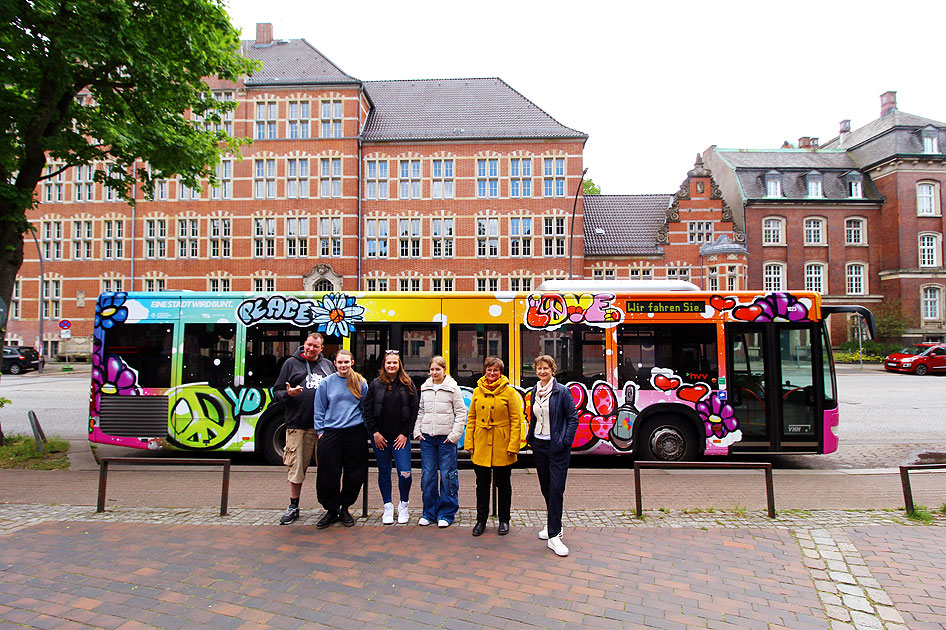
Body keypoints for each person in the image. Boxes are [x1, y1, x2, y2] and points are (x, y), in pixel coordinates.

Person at [272, 332, 335, 525]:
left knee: (328, 470)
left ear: (321, 348)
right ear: (304, 344)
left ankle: (331, 508)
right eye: (308, 345)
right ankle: (293, 506)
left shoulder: (328, 366)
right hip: (299, 425)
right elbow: (276, 392)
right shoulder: (290, 364)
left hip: (324, 428)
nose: (311, 349)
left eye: (315, 346)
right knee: (296, 468)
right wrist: (288, 394)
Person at [525, 355, 579, 556]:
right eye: (539, 368)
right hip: (539, 445)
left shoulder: (562, 391)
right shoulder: (534, 391)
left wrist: (564, 441)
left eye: (546, 368)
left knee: (556, 488)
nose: (542, 371)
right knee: (546, 488)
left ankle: (554, 536)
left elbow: (573, 419)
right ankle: (553, 523)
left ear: (552, 370)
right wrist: (530, 437)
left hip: (557, 447)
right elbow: (534, 416)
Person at [465, 356, 522, 536]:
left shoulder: (509, 392)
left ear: (500, 372)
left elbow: (516, 421)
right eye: (489, 370)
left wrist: (514, 445)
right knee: (482, 485)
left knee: (504, 484)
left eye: (495, 370)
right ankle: (481, 520)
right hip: (481, 443)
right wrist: (469, 442)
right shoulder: (477, 391)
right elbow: (471, 418)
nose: (492, 373)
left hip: (502, 445)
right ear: (485, 371)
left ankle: (504, 520)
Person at [313, 349, 369, 529]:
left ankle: (345, 508)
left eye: (347, 362)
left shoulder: (360, 382)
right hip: (332, 433)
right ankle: (331, 509)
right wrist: (320, 431)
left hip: (354, 432)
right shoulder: (326, 383)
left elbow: (365, 408)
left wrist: (366, 431)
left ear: (352, 362)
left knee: (354, 473)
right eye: (340, 362)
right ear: (335, 363)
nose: (343, 365)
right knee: (328, 473)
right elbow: (319, 408)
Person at [364, 350, 418, 525]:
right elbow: (368, 410)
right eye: (389, 363)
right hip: (381, 437)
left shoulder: (407, 383)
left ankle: (404, 504)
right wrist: (375, 433)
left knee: (405, 472)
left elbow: (414, 411)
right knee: (384, 472)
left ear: (399, 364)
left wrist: (405, 433)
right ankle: (387, 506)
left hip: (400, 437)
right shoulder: (375, 384)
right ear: (384, 365)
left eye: (395, 363)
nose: (391, 366)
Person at [414, 355, 466, 528]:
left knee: (447, 475)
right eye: (432, 369)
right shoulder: (426, 388)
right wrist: (417, 431)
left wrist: (454, 436)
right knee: (427, 475)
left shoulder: (453, 389)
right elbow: (421, 411)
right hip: (427, 438)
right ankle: (429, 512)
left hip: (446, 439)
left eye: (438, 369)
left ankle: (446, 512)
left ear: (444, 370)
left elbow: (460, 413)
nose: (434, 372)